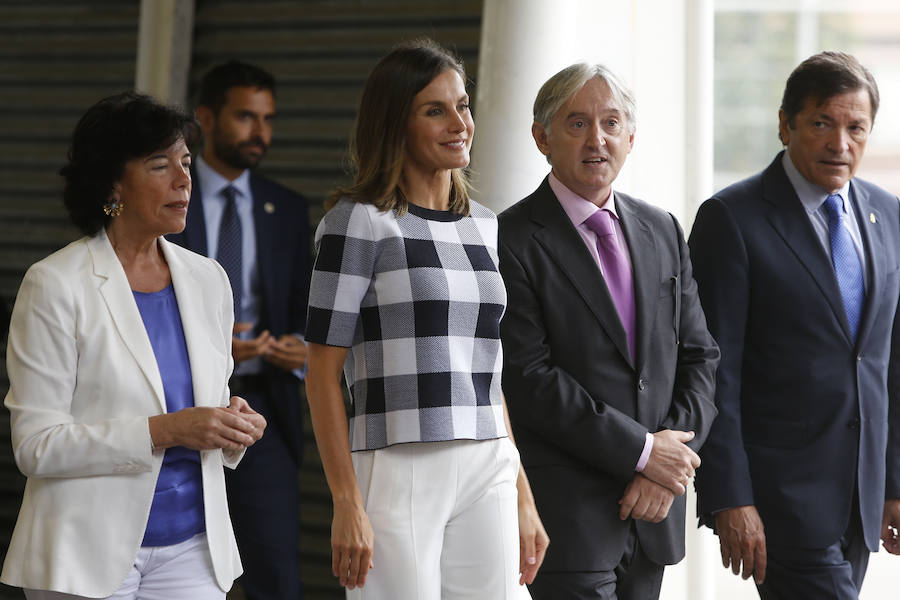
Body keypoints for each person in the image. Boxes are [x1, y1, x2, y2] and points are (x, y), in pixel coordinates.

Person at [304, 39, 549, 599]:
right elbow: (321, 375)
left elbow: (486, 370)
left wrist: (522, 493)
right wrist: (346, 500)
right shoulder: (358, 224)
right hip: (398, 462)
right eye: (434, 110)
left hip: (488, 459)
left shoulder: (482, 226)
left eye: (462, 105)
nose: (458, 122)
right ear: (396, 124)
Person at [0, 92, 266, 599]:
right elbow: (36, 446)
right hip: (85, 551)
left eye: (186, 162)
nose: (184, 180)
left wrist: (232, 424)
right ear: (112, 183)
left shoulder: (209, 279)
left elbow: (205, 404)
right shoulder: (55, 283)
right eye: (160, 165)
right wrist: (168, 429)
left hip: (194, 546)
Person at [497, 63, 720, 600]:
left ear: (631, 137)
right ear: (541, 137)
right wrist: (643, 452)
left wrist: (664, 467)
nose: (596, 139)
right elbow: (528, 379)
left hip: (655, 514)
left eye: (611, 123)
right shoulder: (508, 238)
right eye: (576, 123)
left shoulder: (663, 228)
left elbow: (700, 358)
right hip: (568, 519)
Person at [690, 51, 900, 599]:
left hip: (860, 496)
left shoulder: (889, 215)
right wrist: (729, 495)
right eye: (821, 124)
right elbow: (715, 371)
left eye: (856, 128)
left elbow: (890, 363)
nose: (840, 144)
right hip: (780, 498)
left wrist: (895, 484)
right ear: (785, 124)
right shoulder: (732, 220)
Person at [166, 60, 310, 599]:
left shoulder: (288, 209)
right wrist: (208, 348)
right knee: (181, 574)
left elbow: (302, 306)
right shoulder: (168, 199)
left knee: (274, 575)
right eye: (245, 117)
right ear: (205, 117)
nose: (260, 132)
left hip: (260, 413)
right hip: (175, 409)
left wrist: (300, 350)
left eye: (267, 119)